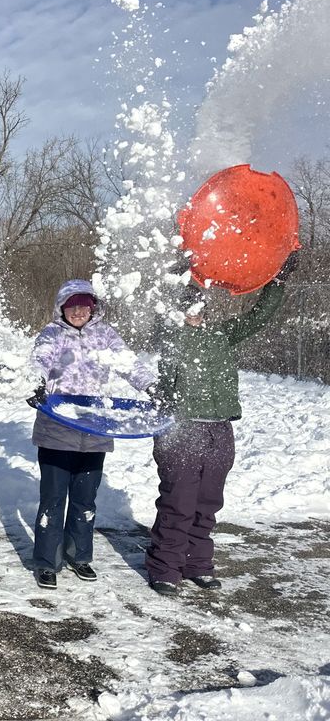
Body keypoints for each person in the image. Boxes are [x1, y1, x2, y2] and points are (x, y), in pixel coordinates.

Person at [145, 254, 296, 596]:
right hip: (182, 429)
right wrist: (181, 273)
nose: (194, 312)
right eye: (187, 306)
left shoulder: (222, 335)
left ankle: (197, 564)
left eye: (199, 305)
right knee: (178, 503)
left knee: (207, 503)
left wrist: (277, 281)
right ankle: (165, 568)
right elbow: (163, 317)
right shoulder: (171, 336)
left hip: (219, 429)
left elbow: (259, 317)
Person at [28, 279, 155, 590]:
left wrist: (151, 385)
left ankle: (80, 556)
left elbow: (128, 362)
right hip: (57, 427)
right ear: (62, 307)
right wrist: (35, 383)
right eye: (72, 305)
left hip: (95, 427)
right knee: (53, 499)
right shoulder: (52, 333)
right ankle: (47, 562)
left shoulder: (106, 335)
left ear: (93, 307)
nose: (79, 311)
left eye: (84, 305)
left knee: (85, 500)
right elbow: (39, 359)